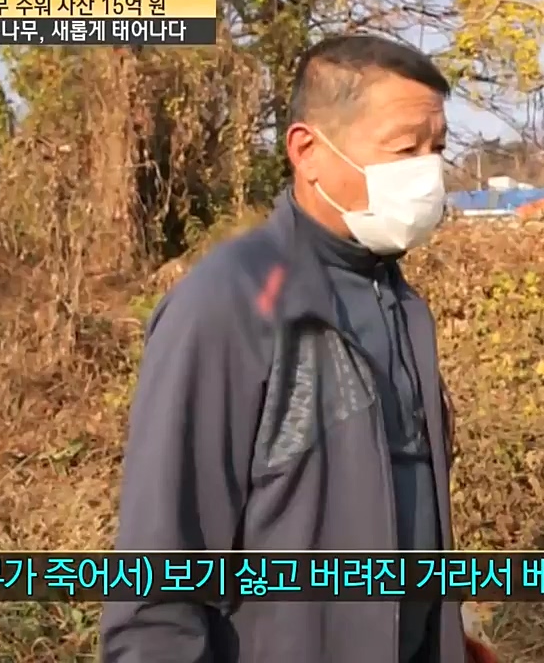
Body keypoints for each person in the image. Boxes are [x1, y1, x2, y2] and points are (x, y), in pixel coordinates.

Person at [100, 34, 467, 663]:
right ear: (307, 151)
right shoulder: (229, 304)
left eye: (437, 149)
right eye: (406, 148)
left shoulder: (402, 304)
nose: (428, 171)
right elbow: (158, 577)